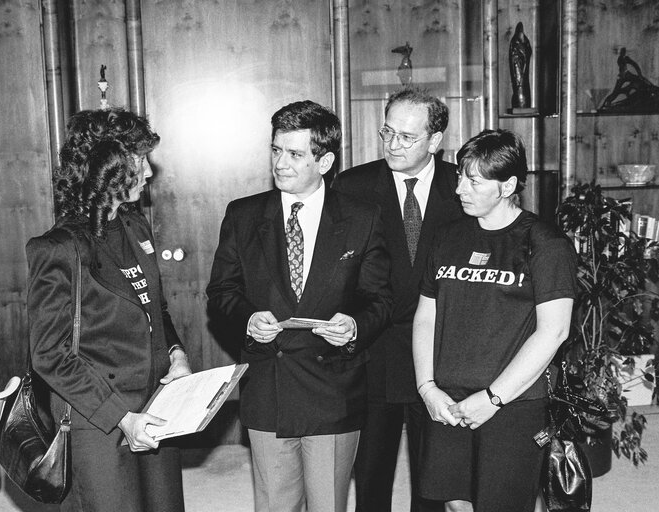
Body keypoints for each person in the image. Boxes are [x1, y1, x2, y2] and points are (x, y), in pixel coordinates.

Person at [206, 100, 392, 512]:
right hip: (268, 387)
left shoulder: (362, 218)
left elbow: (379, 299)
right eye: (276, 150)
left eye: (294, 154)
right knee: (275, 506)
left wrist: (355, 326)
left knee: (328, 505)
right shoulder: (242, 215)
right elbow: (221, 293)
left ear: (324, 161)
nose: (280, 163)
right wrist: (247, 319)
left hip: (332, 389)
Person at [27, 108, 192, 512]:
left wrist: (176, 354)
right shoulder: (58, 248)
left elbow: (157, 310)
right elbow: (49, 355)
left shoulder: (136, 227)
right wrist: (122, 417)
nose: (149, 172)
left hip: (154, 405)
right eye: (140, 160)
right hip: (96, 418)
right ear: (110, 167)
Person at [412, 129, 577, 512]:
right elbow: (425, 314)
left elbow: (554, 331)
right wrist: (426, 387)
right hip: (446, 400)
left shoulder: (545, 243)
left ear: (508, 186)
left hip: (512, 403)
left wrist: (493, 398)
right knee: (455, 502)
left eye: (474, 181)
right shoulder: (447, 236)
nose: (460, 190)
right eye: (460, 177)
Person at [333, 87, 463, 512]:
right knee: (371, 472)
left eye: (407, 136)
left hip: (440, 351)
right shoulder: (352, 186)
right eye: (387, 132)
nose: (393, 144)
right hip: (373, 350)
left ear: (436, 140)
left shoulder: (463, 188)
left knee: (434, 475)